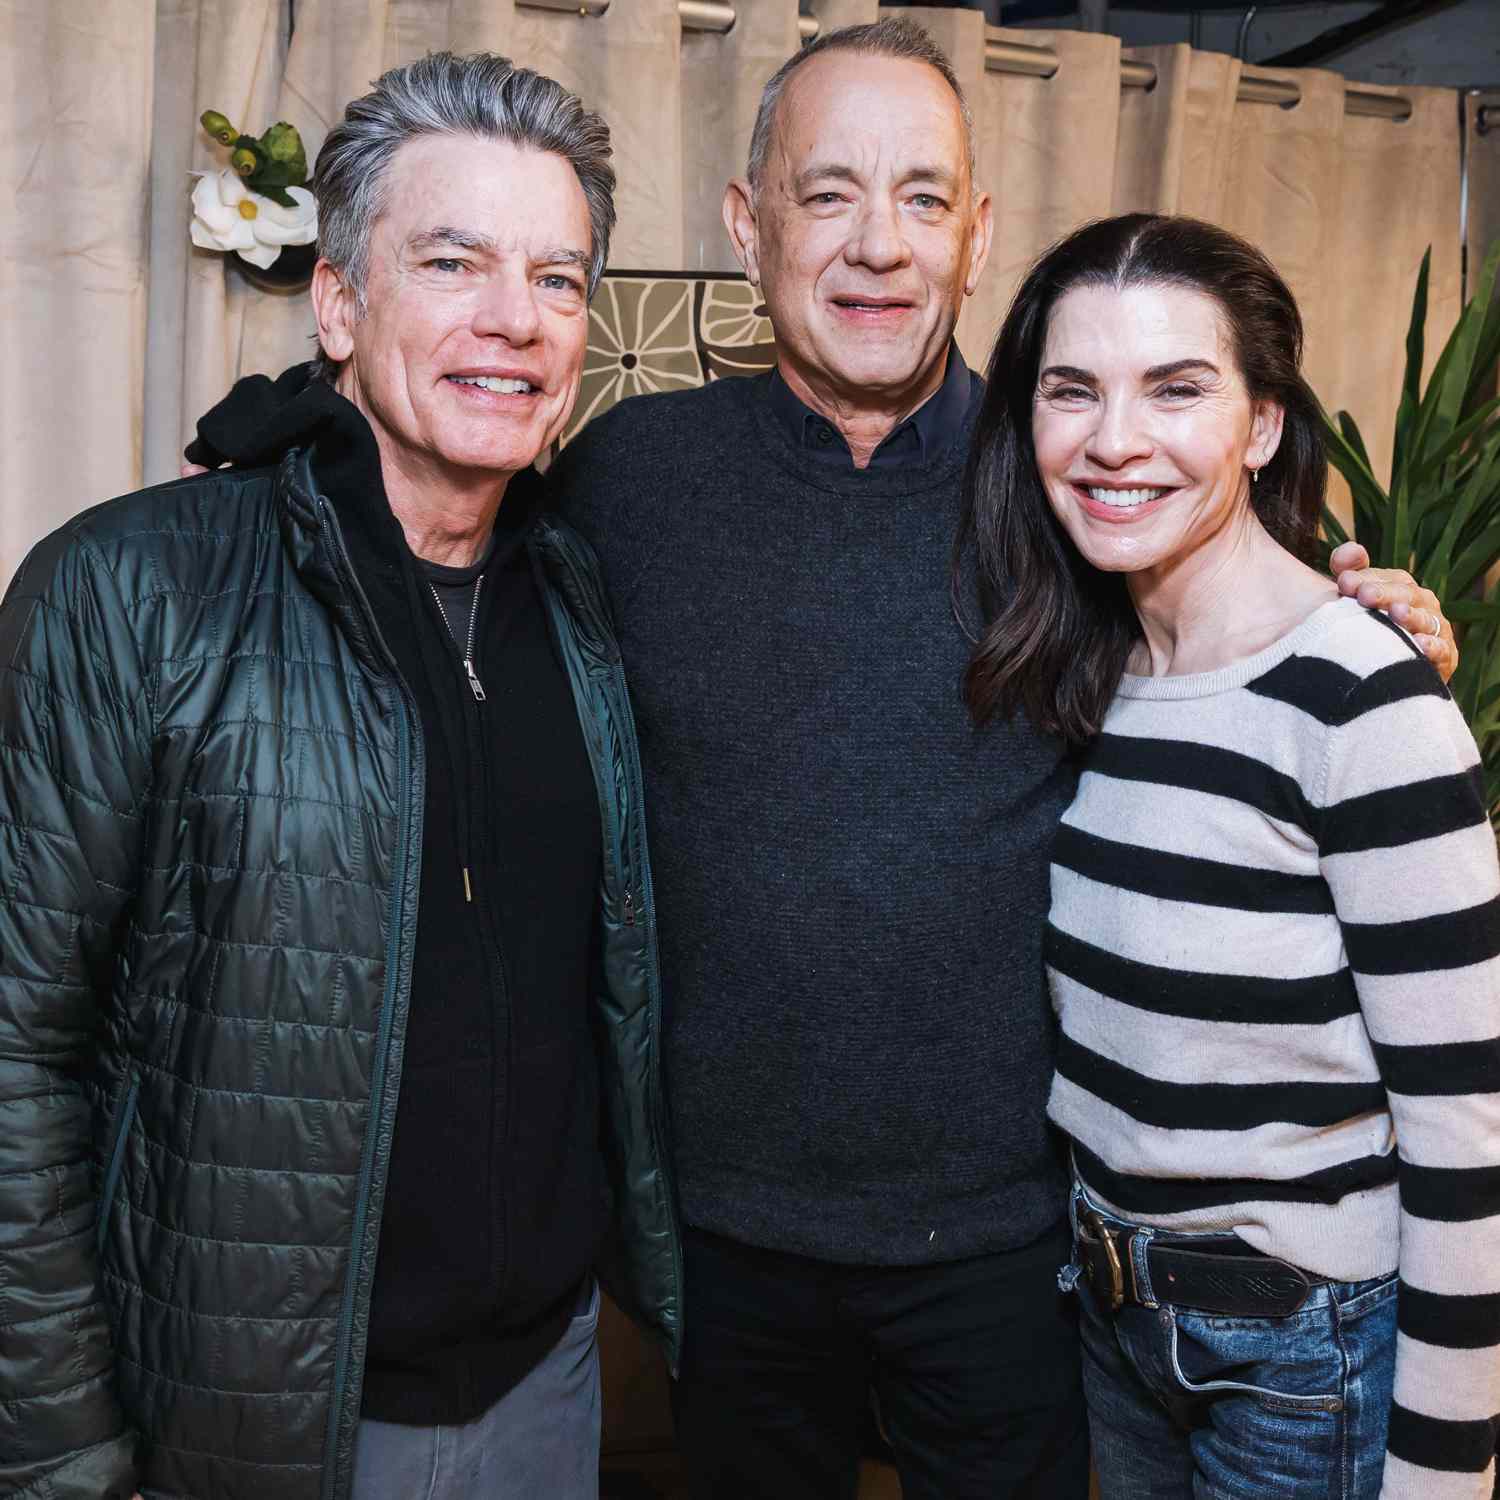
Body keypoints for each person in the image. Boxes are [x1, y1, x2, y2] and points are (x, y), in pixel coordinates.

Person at [187, 21, 1455, 1499]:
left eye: (924, 199)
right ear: (747, 224)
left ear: (978, 240)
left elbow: (1226, 626)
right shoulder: (620, 478)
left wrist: (1359, 618)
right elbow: (428, 546)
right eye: (828, 193)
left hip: (1010, 1242)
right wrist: (276, 442)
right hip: (718, 1241)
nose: (878, 246)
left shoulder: (1065, 482)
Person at [0, 52, 678, 1500]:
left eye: (558, 280)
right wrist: (62, 1454)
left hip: (548, 1393)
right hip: (241, 1427)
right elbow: (15, 1057)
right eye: (454, 262)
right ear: (338, 303)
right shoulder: (128, 591)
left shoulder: (582, 606)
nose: (516, 319)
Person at [958, 211, 1500, 1498]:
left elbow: (1470, 1130)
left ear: (1261, 428)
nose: (1114, 439)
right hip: (1119, 1322)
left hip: (1304, 1356)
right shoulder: (1100, 669)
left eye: (1177, 389)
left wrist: (1442, 1474)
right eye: (1072, 390)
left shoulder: (1363, 696)